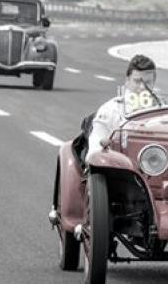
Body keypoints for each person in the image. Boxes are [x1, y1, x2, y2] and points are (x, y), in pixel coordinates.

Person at [53, 55, 157, 215]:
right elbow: (93, 154)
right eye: (137, 82)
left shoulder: (160, 111)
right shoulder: (110, 111)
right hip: (121, 179)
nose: (143, 88)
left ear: (154, 83)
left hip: (156, 172)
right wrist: (107, 148)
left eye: (148, 83)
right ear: (127, 81)